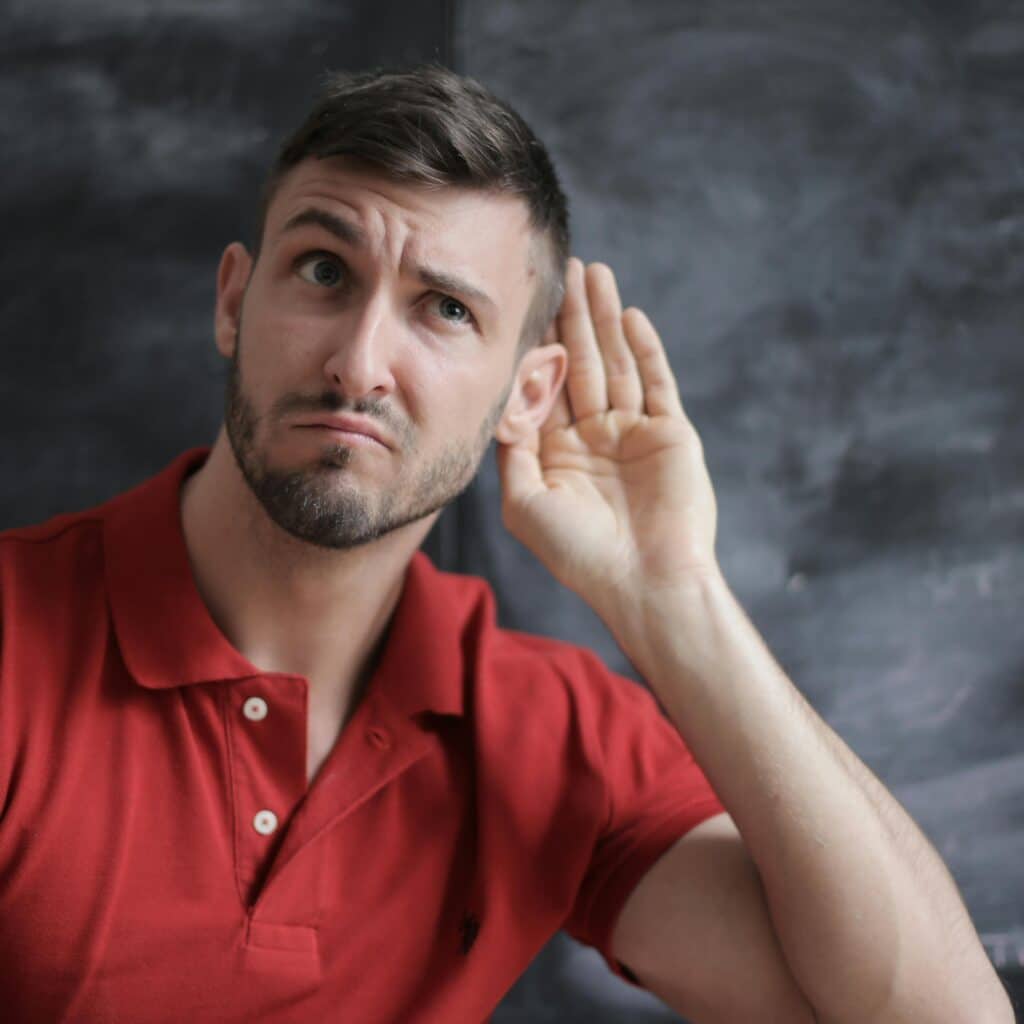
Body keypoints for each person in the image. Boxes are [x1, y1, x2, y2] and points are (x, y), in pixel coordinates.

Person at [0, 64, 1011, 1024]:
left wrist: (675, 596)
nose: (358, 364)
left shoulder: (549, 731)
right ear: (234, 300)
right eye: (322, 270)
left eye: (442, 309)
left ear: (526, 393)